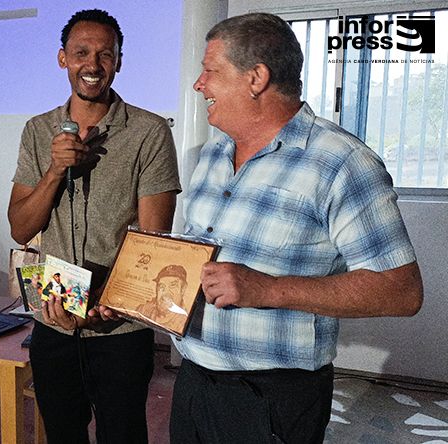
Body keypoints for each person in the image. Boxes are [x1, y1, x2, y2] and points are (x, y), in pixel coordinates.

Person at [168, 13, 423, 444]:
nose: (199, 84)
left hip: (272, 399)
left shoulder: (342, 163)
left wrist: (268, 289)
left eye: (210, 71)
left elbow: (402, 291)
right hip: (194, 380)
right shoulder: (213, 153)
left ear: (256, 78)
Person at [8, 9, 180, 443]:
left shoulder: (149, 132)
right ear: (62, 58)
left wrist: (102, 301)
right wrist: (54, 170)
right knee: (62, 434)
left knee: (122, 435)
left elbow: (153, 242)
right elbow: (20, 229)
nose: (93, 64)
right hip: (54, 320)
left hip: (119, 328)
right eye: (81, 53)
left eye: (105, 54)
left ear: (119, 61)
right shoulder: (38, 131)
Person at [136, 264, 188, 334]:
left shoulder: (184, 323)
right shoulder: (143, 309)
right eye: (161, 286)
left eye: (172, 285)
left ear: (183, 289)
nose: (166, 292)